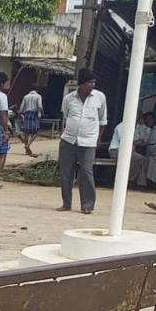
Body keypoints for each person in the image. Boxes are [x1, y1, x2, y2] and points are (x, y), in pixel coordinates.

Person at [58, 68, 107, 213]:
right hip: (69, 140)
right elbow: (66, 116)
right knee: (66, 173)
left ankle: (87, 205)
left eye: (94, 82)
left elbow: (102, 121)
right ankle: (66, 203)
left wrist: (99, 139)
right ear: (82, 84)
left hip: (89, 141)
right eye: (90, 82)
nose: (92, 85)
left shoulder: (100, 97)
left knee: (86, 171)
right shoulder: (69, 98)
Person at [128, 111, 156, 187]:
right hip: (141, 149)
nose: (149, 120)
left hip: (154, 152)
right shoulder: (140, 127)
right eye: (147, 119)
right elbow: (140, 140)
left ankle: (152, 182)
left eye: (150, 118)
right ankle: (135, 181)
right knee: (142, 160)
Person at [19, 84, 44, 155]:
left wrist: (19, 115)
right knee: (35, 132)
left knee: (26, 133)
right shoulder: (38, 96)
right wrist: (42, 113)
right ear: (37, 89)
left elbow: (21, 108)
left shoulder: (26, 96)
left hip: (27, 114)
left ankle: (26, 150)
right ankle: (28, 145)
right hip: (34, 114)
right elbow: (40, 106)